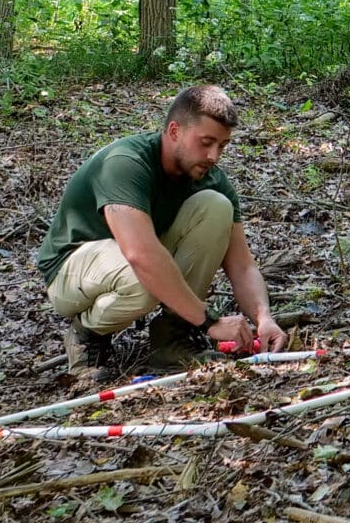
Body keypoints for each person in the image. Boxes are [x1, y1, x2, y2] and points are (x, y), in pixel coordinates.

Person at [33, 85, 287, 377]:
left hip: (129, 263)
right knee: (145, 278)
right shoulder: (125, 163)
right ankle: (86, 335)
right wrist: (210, 322)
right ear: (175, 131)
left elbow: (242, 266)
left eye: (222, 146)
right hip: (70, 271)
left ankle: (172, 338)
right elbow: (141, 256)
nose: (214, 155)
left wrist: (263, 318)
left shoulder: (212, 180)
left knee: (216, 206)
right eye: (206, 142)